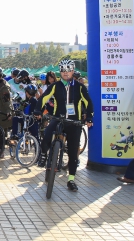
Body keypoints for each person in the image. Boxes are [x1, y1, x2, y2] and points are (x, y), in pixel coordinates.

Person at [35, 59, 93, 192]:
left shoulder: (79, 87)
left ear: (72, 71)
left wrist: (89, 117)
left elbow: (88, 102)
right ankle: (44, 155)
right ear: (60, 72)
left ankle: (71, 179)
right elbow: (44, 98)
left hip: (74, 122)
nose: (66, 73)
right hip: (58, 118)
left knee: (73, 152)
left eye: (68, 70)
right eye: (63, 70)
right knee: (47, 133)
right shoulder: (55, 86)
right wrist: (38, 110)